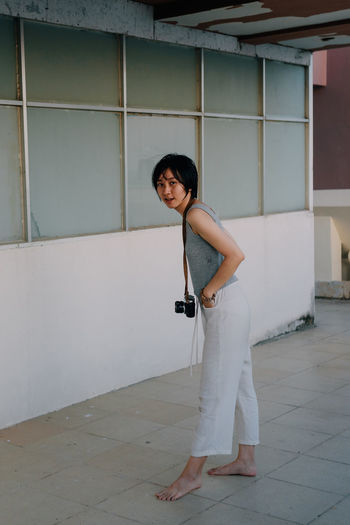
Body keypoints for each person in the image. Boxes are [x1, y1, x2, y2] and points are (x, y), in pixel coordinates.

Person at [152, 153, 259, 502]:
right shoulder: (193, 212)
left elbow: (235, 254)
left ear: (188, 184)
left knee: (213, 391)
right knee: (241, 384)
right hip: (230, 305)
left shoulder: (195, 215)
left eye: (173, 182)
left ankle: (191, 475)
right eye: (161, 183)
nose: (166, 190)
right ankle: (246, 459)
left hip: (225, 305)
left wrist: (209, 290)